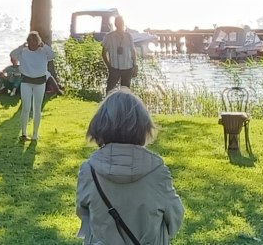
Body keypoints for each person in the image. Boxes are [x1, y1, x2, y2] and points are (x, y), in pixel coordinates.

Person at [76, 89, 183, 244]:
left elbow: (83, 213)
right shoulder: (157, 172)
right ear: (143, 127)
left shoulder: (89, 170)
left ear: (99, 125)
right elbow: (174, 217)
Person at [11, 30, 54, 142]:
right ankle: (24, 133)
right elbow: (13, 54)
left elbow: (52, 55)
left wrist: (43, 46)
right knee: (25, 107)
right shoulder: (23, 52)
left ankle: (35, 133)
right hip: (26, 81)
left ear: (39, 41)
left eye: (35, 41)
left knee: (37, 108)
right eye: (31, 41)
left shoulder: (43, 51)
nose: (33, 43)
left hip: (40, 82)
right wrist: (22, 46)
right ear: (28, 41)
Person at [101, 16, 137, 90]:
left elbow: (133, 51)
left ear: (123, 23)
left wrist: (135, 65)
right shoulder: (109, 37)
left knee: (125, 91)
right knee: (110, 90)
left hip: (128, 68)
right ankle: (109, 101)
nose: (120, 24)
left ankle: (124, 102)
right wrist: (109, 66)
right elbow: (103, 53)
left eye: (121, 22)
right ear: (115, 24)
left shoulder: (128, 36)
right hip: (114, 68)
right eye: (118, 23)